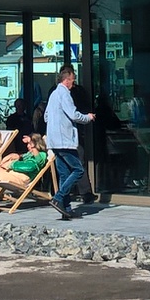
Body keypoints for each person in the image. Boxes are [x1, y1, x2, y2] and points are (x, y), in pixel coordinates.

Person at [44, 65, 95, 221]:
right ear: (66, 80)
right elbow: (73, 114)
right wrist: (88, 117)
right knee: (78, 170)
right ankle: (58, 198)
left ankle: (66, 209)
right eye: (73, 79)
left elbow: (46, 116)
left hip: (54, 141)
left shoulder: (53, 94)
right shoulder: (65, 94)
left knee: (64, 174)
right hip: (65, 140)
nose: (74, 83)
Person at [0, 135, 48, 212]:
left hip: (21, 178)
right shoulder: (29, 154)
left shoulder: (42, 155)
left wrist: (11, 164)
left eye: (30, 144)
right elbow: (21, 157)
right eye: (28, 144)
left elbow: (30, 167)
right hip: (13, 174)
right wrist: (14, 157)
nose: (28, 146)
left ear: (36, 144)